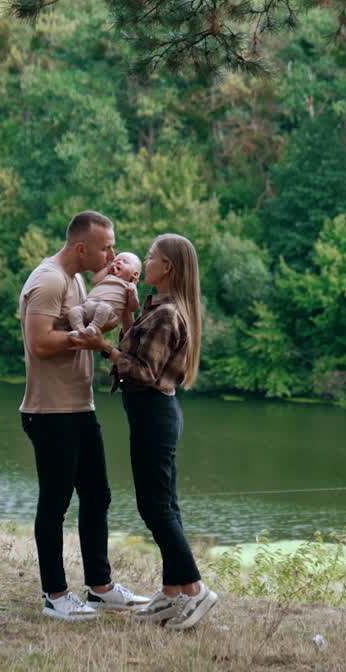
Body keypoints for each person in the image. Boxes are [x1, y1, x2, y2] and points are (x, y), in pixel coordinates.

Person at [17, 210, 150, 620]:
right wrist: (84, 340)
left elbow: (87, 332)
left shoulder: (75, 280)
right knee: (55, 502)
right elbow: (40, 344)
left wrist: (115, 320)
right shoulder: (49, 280)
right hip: (50, 410)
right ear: (81, 248)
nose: (112, 255)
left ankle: (100, 588)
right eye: (106, 247)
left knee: (97, 495)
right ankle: (56, 596)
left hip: (79, 406)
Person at [86, 233, 219, 631]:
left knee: (155, 506)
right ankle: (172, 591)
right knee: (164, 504)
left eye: (150, 257)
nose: (145, 262)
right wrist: (129, 316)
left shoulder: (166, 314)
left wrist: (102, 346)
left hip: (154, 415)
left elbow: (143, 371)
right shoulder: (158, 307)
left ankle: (195, 589)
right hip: (153, 414)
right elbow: (138, 350)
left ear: (168, 267)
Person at [66, 252, 141, 338]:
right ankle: (79, 330)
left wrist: (132, 295)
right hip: (88, 305)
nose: (118, 262)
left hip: (108, 310)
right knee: (74, 310)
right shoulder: (106, 277)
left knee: (104, 308)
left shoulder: (129, 286)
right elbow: (94, 281)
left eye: (125, 261)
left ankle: (93, 327)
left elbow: (133, 308)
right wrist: (106, 269)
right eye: (115, 261)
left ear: (135, 275)